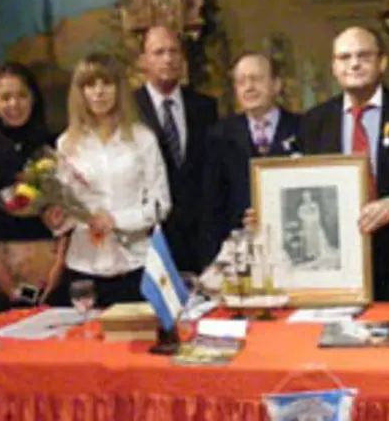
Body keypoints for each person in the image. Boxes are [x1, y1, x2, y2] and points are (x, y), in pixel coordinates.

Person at [298, 26, 389, 301]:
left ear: (382, 62)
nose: (354, 64)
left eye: (363, 56)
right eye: (344, 57)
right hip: (337, 261)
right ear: (333, 66)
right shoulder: (314, 121)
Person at [48, 53, 171, 308]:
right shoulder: (66, 144)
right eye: (90, 85)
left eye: (107, 83)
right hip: (84, 269)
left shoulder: (143, 139)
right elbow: (67, 208)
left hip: (134, 266)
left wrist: (117, 221)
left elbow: (161, 204)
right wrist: (57, 219)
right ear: (79, 92)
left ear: (120, 89)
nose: (99, 92)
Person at [0, 63, 66, 313]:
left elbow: (67, 210)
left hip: (52, 266)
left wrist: (59, 265)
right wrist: (1, 275)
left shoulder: (55, 144)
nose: (15, 104)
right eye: (5, 97)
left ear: (34, 98)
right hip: (3, 268)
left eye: (22, 95)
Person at [199, 52, 300, 268]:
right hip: (240, 256)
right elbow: (211, 207)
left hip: (292, 251)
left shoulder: (303, 129)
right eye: (241, 81)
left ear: (276, 84)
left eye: (256, 79)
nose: (249, 87)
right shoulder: (219, 135)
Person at [134, 25, 218, 274]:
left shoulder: (205, 107)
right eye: (158, 52)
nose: (168, 59)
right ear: (143, 61)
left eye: (174, 51)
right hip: (150, 241)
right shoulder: (129, 110)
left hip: (200, 240)